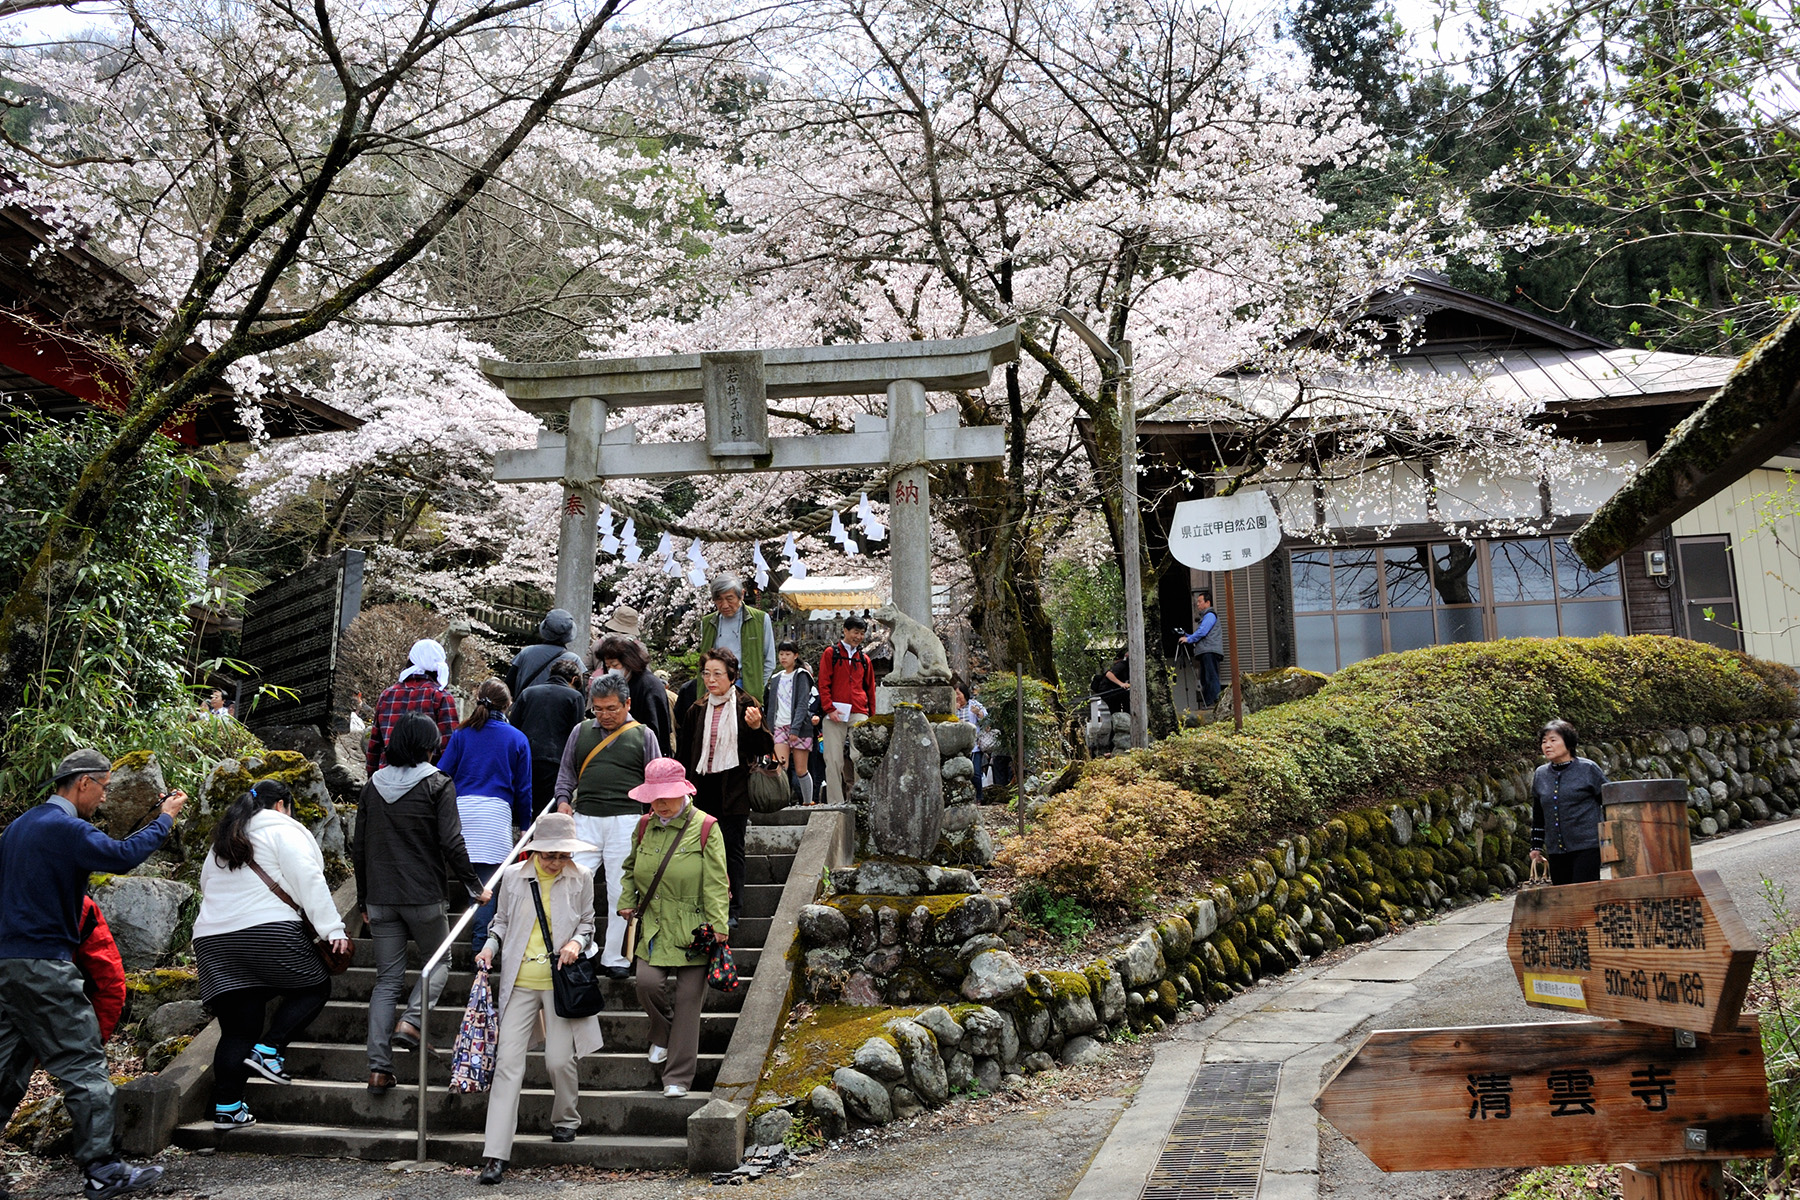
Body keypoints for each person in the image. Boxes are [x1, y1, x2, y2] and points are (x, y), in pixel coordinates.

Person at [0, 749, 184, 1198]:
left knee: (6, 1068)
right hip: (46, 964)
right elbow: (122, 856)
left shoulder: (18, 829)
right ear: (83, 782)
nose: (103, 799)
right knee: (83, 1065)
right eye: (103, 788)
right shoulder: (63, 828)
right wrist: (164, 818)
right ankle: (103, 1169)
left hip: (7, 963)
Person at [191, 780, 349, 1131]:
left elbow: (206, 885)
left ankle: (228, 1108)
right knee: (314, 986)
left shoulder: (226, 837)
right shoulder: (283, 830)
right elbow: (309, 878)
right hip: (267, 931)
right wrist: (332, 929)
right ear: (281, 805)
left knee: (237, 1030)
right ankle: (270, 1049)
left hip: (212, 940)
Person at [352, 713, 486, 1094]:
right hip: (424, 894)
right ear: (428, 746)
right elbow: (451, 842)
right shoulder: (438, 784)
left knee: (386, 981)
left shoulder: (372, 787)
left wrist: (363, 897)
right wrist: (474, 885)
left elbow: (359, 847)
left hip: (380, 897)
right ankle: (411, 1021)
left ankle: (378, 1069)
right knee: (439, 962)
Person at [473, 812, 603, 1186]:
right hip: (519, 981)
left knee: (559, 1060)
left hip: (560, 981)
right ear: (534, 851)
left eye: (562, 855)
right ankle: (495, 1154)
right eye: (548, 854)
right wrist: (489, 947)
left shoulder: (581, 877)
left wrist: (577, 943)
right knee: (507, 1064)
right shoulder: (513, 878)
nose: (555, 861)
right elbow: (500, 922)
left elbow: (588, 923)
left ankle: (565, 1118)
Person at [619, 758, 728, 1100]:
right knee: (647, 984)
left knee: (687, 1000)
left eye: (666, 796)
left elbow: (716, 881)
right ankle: (662, 1034)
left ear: (683, 793)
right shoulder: (643, 827)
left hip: (695, 926)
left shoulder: (706, 827)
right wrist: (626, 899)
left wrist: (719, 924)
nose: (660, 802)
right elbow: (629, 868)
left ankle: (678, 1076)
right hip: (653, 923)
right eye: (655, 796)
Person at [554, 672, 663, 979]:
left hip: (626, 818)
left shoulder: (643, 735)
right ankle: (581, 949)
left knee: (621, 890)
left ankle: (616, 957)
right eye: (598, 709)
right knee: (575, 884)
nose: (604, 715)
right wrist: (563, 800)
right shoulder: (581, 731)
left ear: (627, 703)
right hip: (585, 816)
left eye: (611, 708)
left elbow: (654, 783)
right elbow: (566, 774)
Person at [677, 648, 770, 927]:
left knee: (732, 849)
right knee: (701, 848)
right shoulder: (697, 708)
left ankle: (733, 908)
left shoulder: (746, 705)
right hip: (703, 786)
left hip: (735, 787)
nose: (711, 679)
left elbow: (764, 749)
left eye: (718, 673)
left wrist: (756, 728)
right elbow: (684, 753)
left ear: (732, 676)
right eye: (706, 673)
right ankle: (704, 904)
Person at [439, 679, 534, 955]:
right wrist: (525, 828)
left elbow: (442, 774)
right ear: (508, 705)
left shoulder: (461, 734)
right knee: (486, 889)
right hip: (495, 816)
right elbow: (524, 790)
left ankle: (440, 946)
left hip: (461, 812)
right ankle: (478, 951)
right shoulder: (517, 738)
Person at [1530, 720, 1609, 886]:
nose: (1547, 745)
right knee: (1563, 898)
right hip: (1556, 850)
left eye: (1553, 740)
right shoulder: (1541, 774)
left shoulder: (1588, 769)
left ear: (1569, 742)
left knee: (1584, 896)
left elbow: (1608, 802)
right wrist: (1536, 846)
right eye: (1544, 742)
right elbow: (1539, 813)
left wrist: (1609, 838)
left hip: (1587, 847)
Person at [366, 639, 460, 773]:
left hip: (387, 778)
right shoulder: (440, 697)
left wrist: (372, 779)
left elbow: (374, 745)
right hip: (426, 780)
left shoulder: (387, 695)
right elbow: (450, 749)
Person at [511, 653, 589, 816]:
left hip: (526, 758)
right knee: (547, 812)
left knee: (525, 808)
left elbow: (514, 726)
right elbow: (576, 733)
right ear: (574, 680)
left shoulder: (528, 692)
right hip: (556, 760)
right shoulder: (574, 697)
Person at [817, 615, 875, 807]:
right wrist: (829, 708)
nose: (858, 637)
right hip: (835, 711)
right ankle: (835, 802)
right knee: (833, 759)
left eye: (861, 633)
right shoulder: (830, 653)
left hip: (859, 709)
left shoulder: (864, 659)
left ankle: (860, 798)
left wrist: (871, 717)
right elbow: (823, 683)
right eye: (855, 632)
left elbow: (870, 689)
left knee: (859, 755)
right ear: (845, 631)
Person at [593, 634, 672, 751]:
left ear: (628, 661)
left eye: (615, 665)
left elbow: (656, 728)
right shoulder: (620, 683)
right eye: (608, 666)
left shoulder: (649, 685)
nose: (611, 670)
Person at [697, 576, 776, 690]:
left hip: (745, 686)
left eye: (730, 598)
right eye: (719, 599)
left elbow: (769, 661)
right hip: (715, 686)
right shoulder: (707, 623)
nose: (724, 605)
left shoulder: (760, 619)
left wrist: (756, 688)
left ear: (742, 595)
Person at [764, 641, 817, 806]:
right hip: (779, 725)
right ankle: (782, 801)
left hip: (800, 727)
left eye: (787, 654)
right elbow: (771, 706)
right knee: (781, 767)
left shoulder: (802, 675)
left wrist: (795, 728)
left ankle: (808, 801)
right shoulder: (775, 678)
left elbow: (802, 703)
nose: (783, 657)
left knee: (801, 769)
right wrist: (770, 728)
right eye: (781, 654)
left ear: (795, 655)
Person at [505, 608, 577, 698]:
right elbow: (580, 696)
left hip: (525, 709)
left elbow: (507, 687)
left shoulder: (526, 653)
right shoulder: (574, 660)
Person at [1182, 589, 1225, 708]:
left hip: (1209, 650)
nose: (1198, 604)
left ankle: (1214, 702)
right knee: (1205, 678)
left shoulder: (1210, 615)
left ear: (1208, 603)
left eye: (1200, 601)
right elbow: (1201, 633)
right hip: (1207, 650)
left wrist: (1189, 639)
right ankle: (1209, 702)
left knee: (1210, 677)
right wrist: (1187, 636)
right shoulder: (1207, 616)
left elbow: (1203, 632)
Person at [952, 679, 988, 804]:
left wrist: (978, 713)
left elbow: (986, 719)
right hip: (956, 746)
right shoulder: (952, 707)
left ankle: (979, 797)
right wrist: (954, 710)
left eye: (958, 694)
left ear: (965, 694)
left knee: (976, 773)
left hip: (974, 746)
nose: (956, 697)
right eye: (954, 694)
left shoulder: (974, 704)